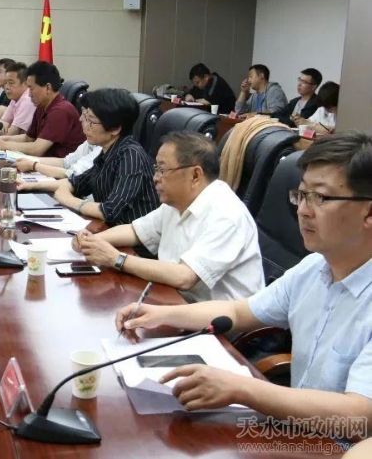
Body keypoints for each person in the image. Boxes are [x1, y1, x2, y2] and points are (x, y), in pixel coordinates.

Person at [115, 132, 372, 422]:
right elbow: (238, 311)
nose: (302, 210)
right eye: (301, 195)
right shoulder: (313, 269)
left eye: (319, 197)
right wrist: (161, 314)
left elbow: (360, 413)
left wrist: (242, 388)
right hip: (298, 428)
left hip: (337, 441)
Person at [74, 131, 263, 302]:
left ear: (195, 175)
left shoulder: (226, 214)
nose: (155, 177)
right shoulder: (177, 201)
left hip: (218, 323)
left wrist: (116, 258)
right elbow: (135, 231)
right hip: (174, 300)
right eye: (156, 169)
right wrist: (92, 241)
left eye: (162, 170)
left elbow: (185, 276)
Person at [21, 87, 160, 226]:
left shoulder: (131, 156)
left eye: (91, 121)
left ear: (115, 128)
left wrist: (69, 200)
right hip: (107, 229)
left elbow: (110, 210)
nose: (83, 123)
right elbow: (77, 183)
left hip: (128, 237)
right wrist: (29, 185)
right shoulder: (108, 151)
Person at [0, 61, 85, 158]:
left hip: (59, 167)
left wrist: (4, 145)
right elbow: (28, 138)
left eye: (31, 88)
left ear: (48, 88)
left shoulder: (60, 111)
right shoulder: (42, 106)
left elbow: (37, 149)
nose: (29, 94)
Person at [0, 62, 36, 136]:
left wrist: (6, 128)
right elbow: (1, 122)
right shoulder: (15, 98)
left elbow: (12, 133)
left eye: (11, 83)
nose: (6, 87)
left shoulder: (28, 100)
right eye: (5, 83)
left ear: (26, 83)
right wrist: (4, 126)